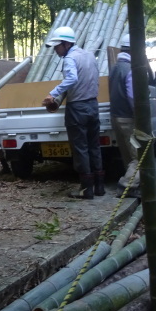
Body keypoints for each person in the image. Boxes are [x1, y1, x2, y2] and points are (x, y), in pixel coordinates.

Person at [40, 26, 104, 199]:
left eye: (57, 46)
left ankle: (86, 189)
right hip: (93, 105)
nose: (55, 50)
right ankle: (99, 187)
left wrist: (53, 93)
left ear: (66, 43)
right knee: (94, 146)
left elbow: (72, 78)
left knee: (80, 149)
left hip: (77, 108)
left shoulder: (69, 59)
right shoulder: (90, 56)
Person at [109, 34, 139, 192]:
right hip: (128, 119)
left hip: (115, 116)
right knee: (139, 157)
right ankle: (126, 185)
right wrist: (140, 117)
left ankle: (132, 187)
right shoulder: (130, 70)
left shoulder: (114, 68)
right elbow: (132, 97)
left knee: (128, 156)